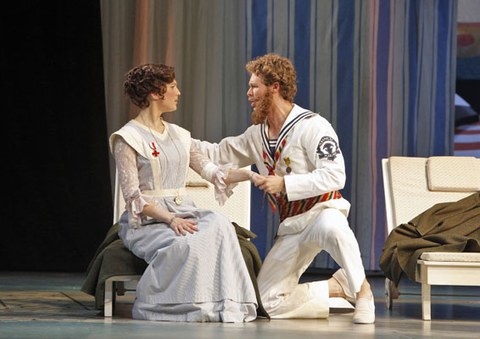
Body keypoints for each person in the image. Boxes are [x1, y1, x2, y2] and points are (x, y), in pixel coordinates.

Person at [193, 53, 375, 324]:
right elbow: (218, 152)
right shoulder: (256, 134)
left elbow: (336, 175)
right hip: (291, 224)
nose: (249, 93)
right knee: (264, 303)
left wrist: (285, 184)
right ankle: (337, 287)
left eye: (254, 86)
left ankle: (363, 292)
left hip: (321, 210)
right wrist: (178, 139)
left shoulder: (312, 125)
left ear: (274, 87)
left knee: (334, 228)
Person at [109, 63, 260, 322]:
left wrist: (249, 175)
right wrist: (170, 219)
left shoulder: (180, 135)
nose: (178, 92)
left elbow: (211, 171)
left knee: (220, 223)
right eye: (173, 87)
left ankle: (221, 304)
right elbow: (133, 196)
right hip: (149, 220)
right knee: (187, 243)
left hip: (183, 210)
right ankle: (175, 307)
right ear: (156, 93)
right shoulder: (128, 138)